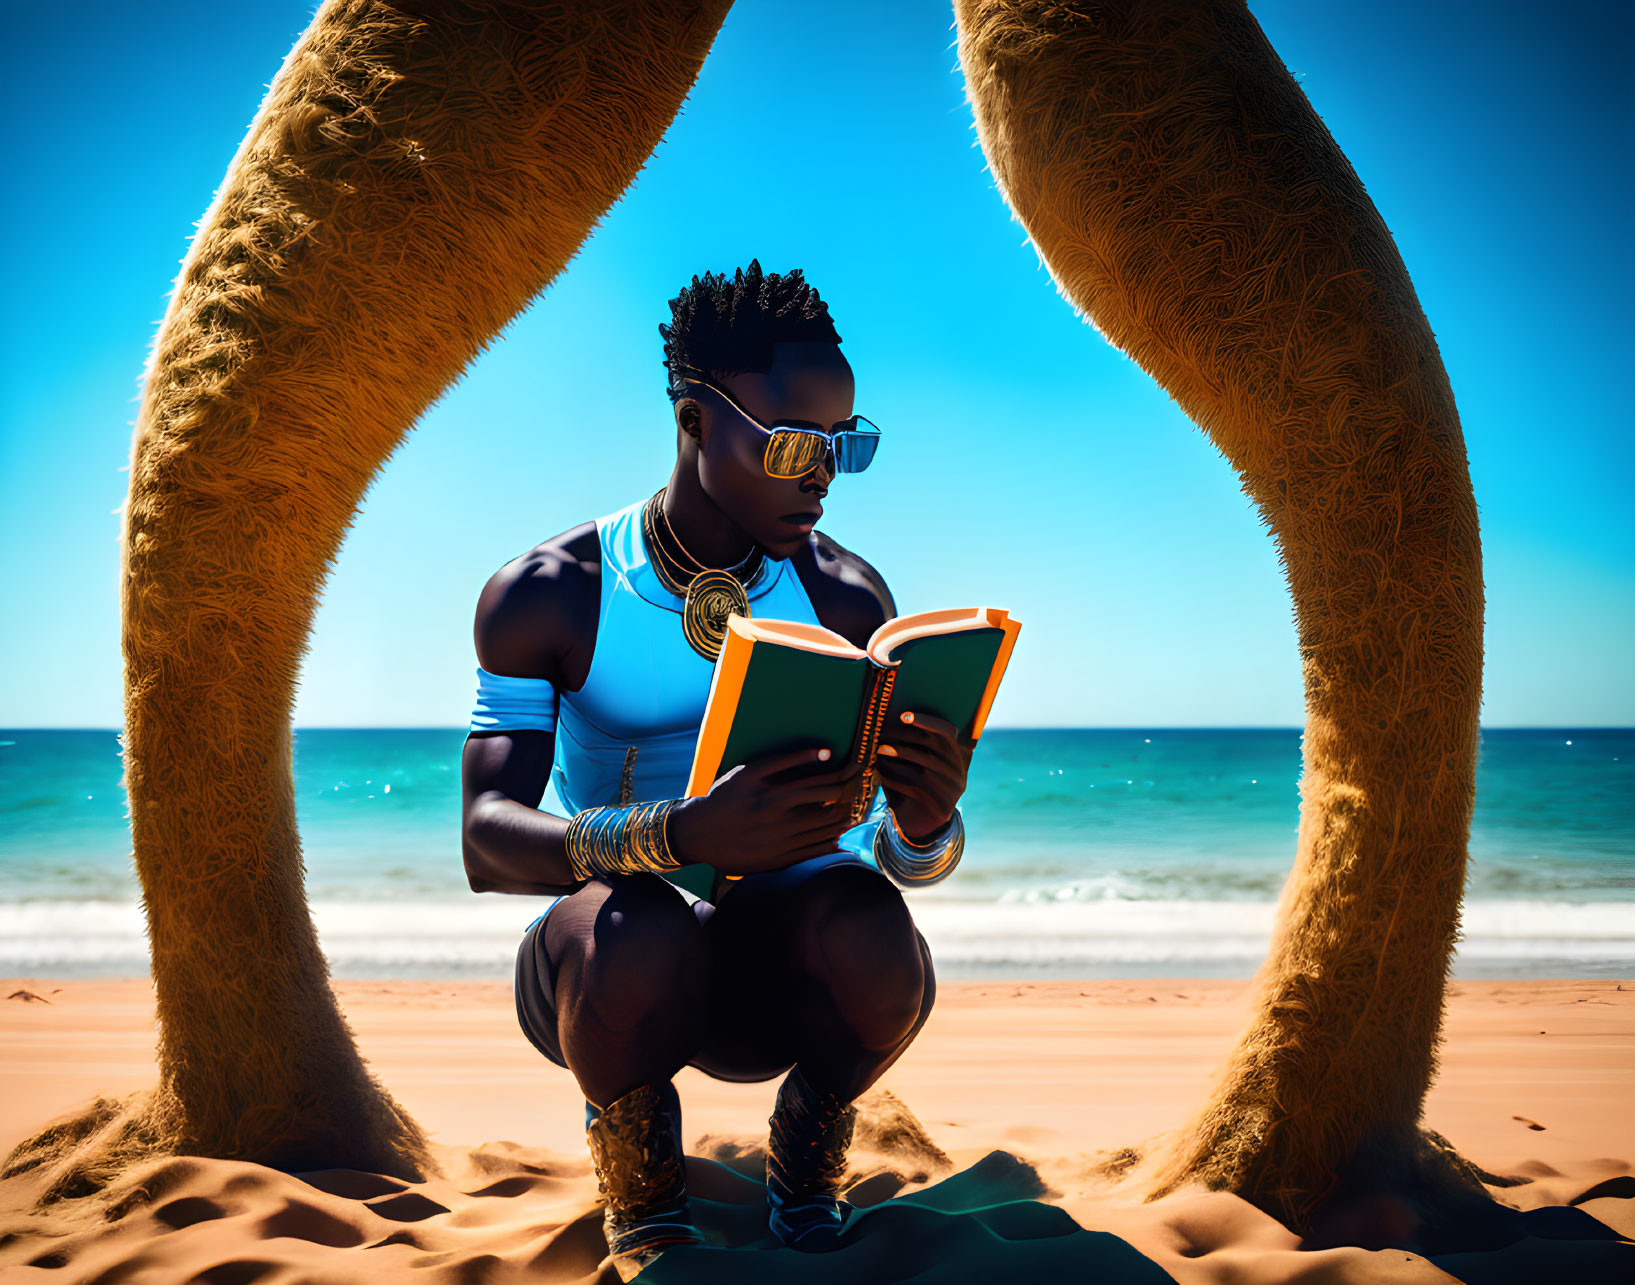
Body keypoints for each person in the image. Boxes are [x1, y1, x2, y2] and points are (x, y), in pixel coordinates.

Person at [459, 262, 973, 1279]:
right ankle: (646, 1204)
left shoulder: (847, 599)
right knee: (639, 924)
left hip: (772, 978)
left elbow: (891, 853)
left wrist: (926, 825)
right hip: (608, 975)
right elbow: (484, 839)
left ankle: (806, 1148)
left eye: (844, 446)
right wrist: (679, 836)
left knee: (877, 928)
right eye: (791, 444)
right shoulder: (556, 592)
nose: (820, 473)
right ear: (694, 419)